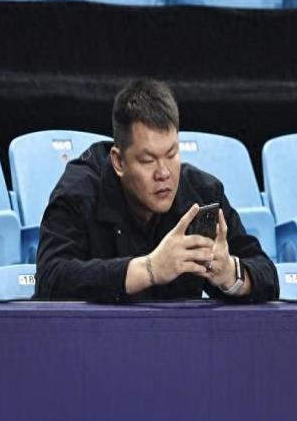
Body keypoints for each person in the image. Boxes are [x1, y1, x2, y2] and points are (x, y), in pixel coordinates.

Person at [35, 79, 278, 302]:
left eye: (171, 155)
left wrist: (229, 273)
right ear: (118, 162)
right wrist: (150, 269)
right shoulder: (79, 191)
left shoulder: (202, 193)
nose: (163, 173)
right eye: (148, 160)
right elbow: (50, 279)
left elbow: (266, 274)